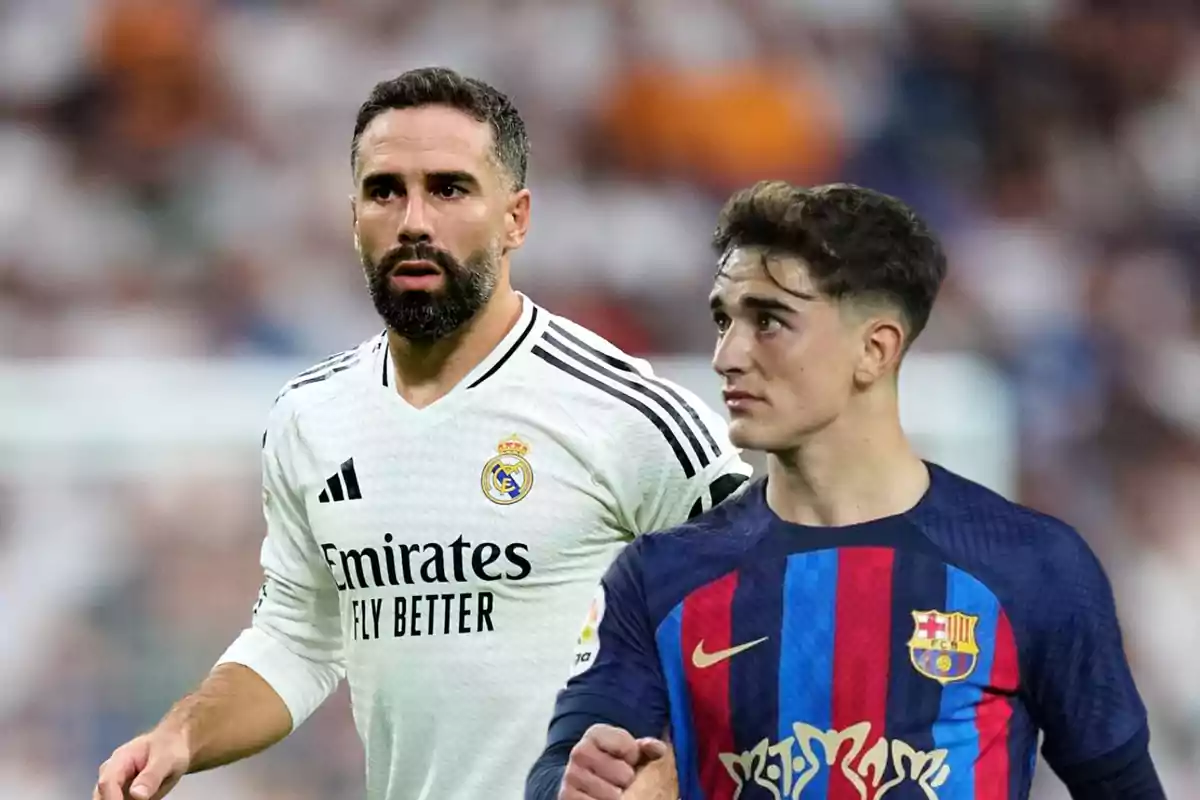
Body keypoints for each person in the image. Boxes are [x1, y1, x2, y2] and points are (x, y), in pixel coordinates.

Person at [94, 67, 751, 800]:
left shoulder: (628, 414)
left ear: (516, 218)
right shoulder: (312, 418)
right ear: (353, 218)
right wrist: (182, 734)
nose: (412, 219)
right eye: (385, 190)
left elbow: (776, 624)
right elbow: (298, 640)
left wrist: (674, 770)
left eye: (448, 188)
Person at [525, 181, 1166, 800]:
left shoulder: (1033, 566)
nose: (726, 354)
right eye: (724, 319)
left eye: (769, 321)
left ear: (875, 350)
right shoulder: (658, 577)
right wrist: (578, 788)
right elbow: (565, 767)